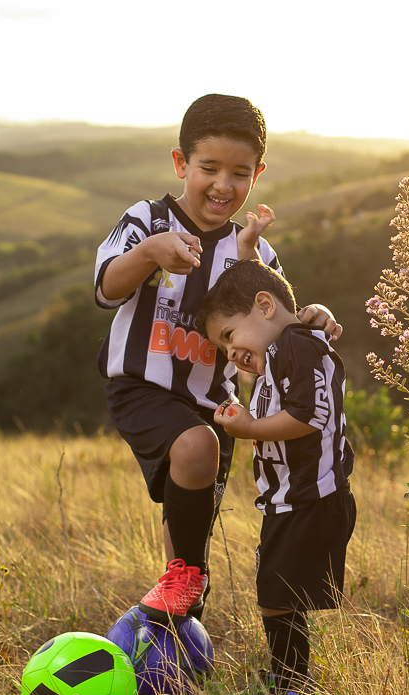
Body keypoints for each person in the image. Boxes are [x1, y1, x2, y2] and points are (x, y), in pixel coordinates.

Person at [93, 94, 340, 622]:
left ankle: (179, 631)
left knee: (189, 527)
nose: (223, 184)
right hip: (143, 384)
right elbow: (105, 288)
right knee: (194, 447)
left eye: (240, 172)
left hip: (214, 399)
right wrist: (148, 254)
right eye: (209, 168)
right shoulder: (148, 219)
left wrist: (310, 316)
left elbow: (277, 322)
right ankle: (187, 583)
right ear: (182, 163)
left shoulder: (255, 252)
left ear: (258, 174)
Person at [196, 259, 355, 695]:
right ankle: (289, 677)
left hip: (309, 497)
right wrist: (248, 244)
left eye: (229, 336)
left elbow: (307, 416)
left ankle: (294, 685)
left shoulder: (294, 347)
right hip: (293, 499)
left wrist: (247, 429)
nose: (230, 352)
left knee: (275, 596)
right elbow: (259, 285)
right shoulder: (284, 347)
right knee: (279, 593)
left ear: (264, 307)